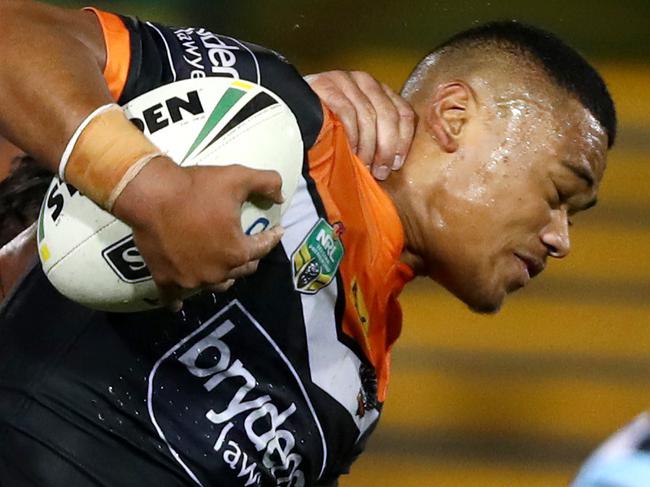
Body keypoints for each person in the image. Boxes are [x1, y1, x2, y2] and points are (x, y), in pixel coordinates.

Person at [0, 3, 616, 487]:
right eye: (560, 193)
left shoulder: (364, 382)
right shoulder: (280, 118)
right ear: (454, 117)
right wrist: (148, 187)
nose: (560, 239)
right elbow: (16, 37)